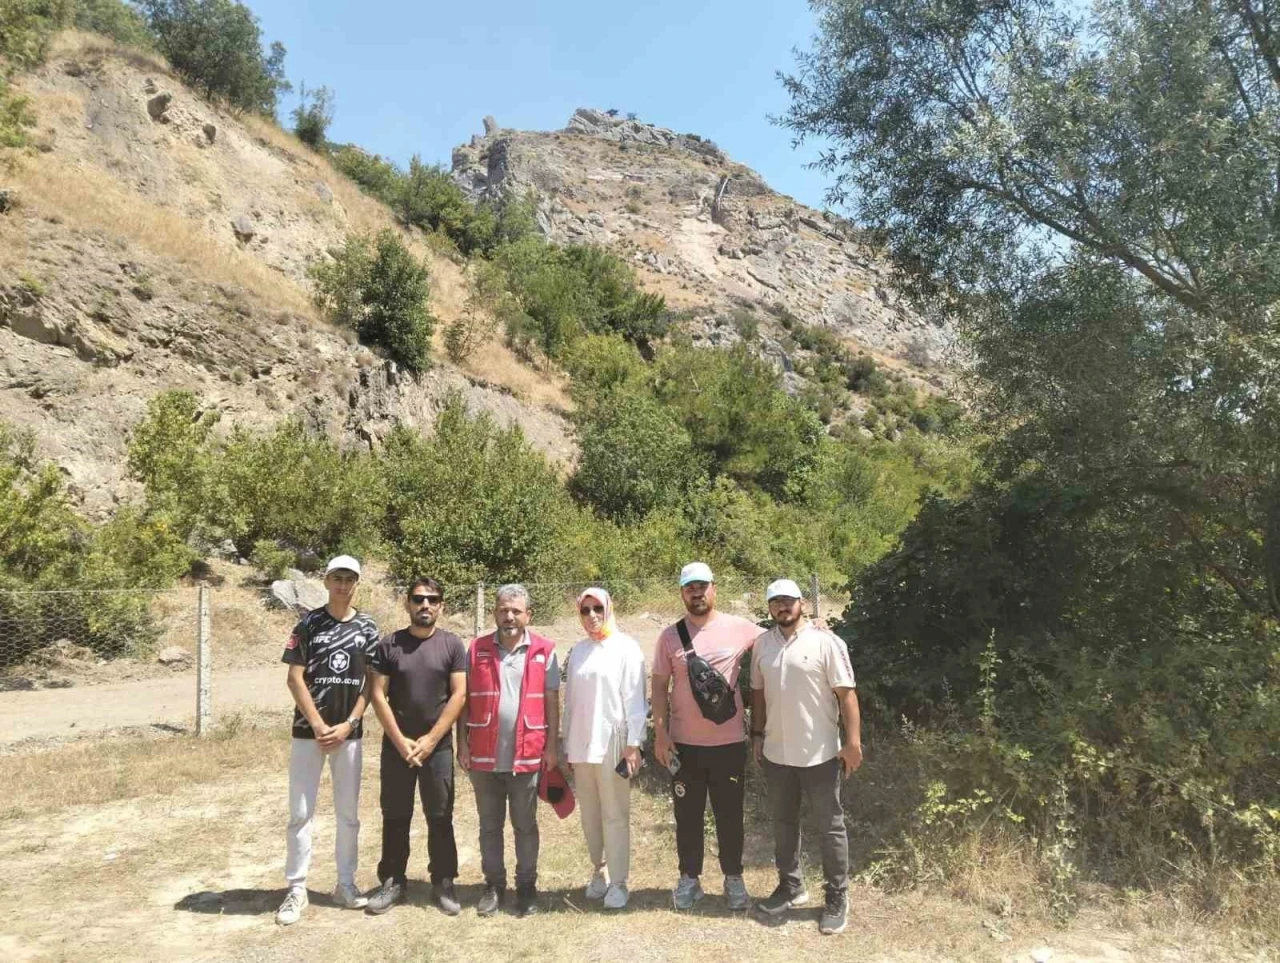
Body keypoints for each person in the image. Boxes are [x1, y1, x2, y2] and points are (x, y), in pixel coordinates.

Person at [750, 578, 862, 936]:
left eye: (788, 600)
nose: (782, 607)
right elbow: (757, 694)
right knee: (783, 823)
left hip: (820, 754)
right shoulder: (762, 644)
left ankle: (837, 895)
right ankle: (791, 886)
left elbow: (847, 695)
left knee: (830, 826)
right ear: (769, 608)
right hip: (777, 753)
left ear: (802, 603)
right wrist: (756, 735)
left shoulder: (826, 642)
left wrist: (853, 743)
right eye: (775, 602)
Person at [276, 555, 381, 926]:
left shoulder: (368, 627)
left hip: (348, 735)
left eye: (349, 579)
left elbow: (373, 682)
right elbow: (295, 678)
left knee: (348, 814)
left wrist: (350, 723)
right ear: (326, 581)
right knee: (300, 813)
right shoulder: (308, 623)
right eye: (337, 578)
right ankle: (296, 888)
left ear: (357, 584)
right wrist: (319, 724)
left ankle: (345, 884)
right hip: (310, 733)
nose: (342, 585)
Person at [651, 561, 761, 911]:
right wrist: (661, 733)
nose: (696, 593)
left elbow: (780, 640)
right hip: (684, 746)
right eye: (690, 588)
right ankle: (689, 878)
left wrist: (813, 627)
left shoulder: (740, 628)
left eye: (702, 586)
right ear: (682, 593)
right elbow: (659, 686)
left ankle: (734, 878)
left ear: (714, 588)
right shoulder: (670, 636)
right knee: (687, 816)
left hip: (729, 744)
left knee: (730, 815)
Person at [365, 578, 467, 917]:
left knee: (440, 816)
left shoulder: (452, 645)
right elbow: (377, 694)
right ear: (407, 603)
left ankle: (444, 882)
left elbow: (459, 695)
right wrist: (400, 740)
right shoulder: (389, 645)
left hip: (437, 748)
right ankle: (393, 881)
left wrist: (431, 739)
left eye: (432, 599)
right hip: (397, 747)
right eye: (419, 599)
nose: (425, 605)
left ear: (441, 606)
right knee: (395, 815)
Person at [458, 584, 561, 919]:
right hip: (484, 756)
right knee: (489, 826)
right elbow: (463, 699)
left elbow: (551, 701)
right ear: (494, 613)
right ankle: (494, 886)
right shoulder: (476, 649)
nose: (509, 617)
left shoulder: (545, 650)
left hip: (527, 754)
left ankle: (526, 887)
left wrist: (552, 746)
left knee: (525, 825)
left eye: (516, 611)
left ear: (528, 615)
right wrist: (462, 744)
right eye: (503, 610)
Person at [561, 587, 647, 910]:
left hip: (613, 743)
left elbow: (635, 702)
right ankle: (599, 870)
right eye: (585, 610)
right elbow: (570, 703)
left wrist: (634, 745)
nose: (592, 615)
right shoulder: (579, 651)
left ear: (609, 608)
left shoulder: (626, 648)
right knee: (590, 815)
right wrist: (567, 745)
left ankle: (619, 882)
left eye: (597, 608)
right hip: (581, 744)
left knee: (614, 814)